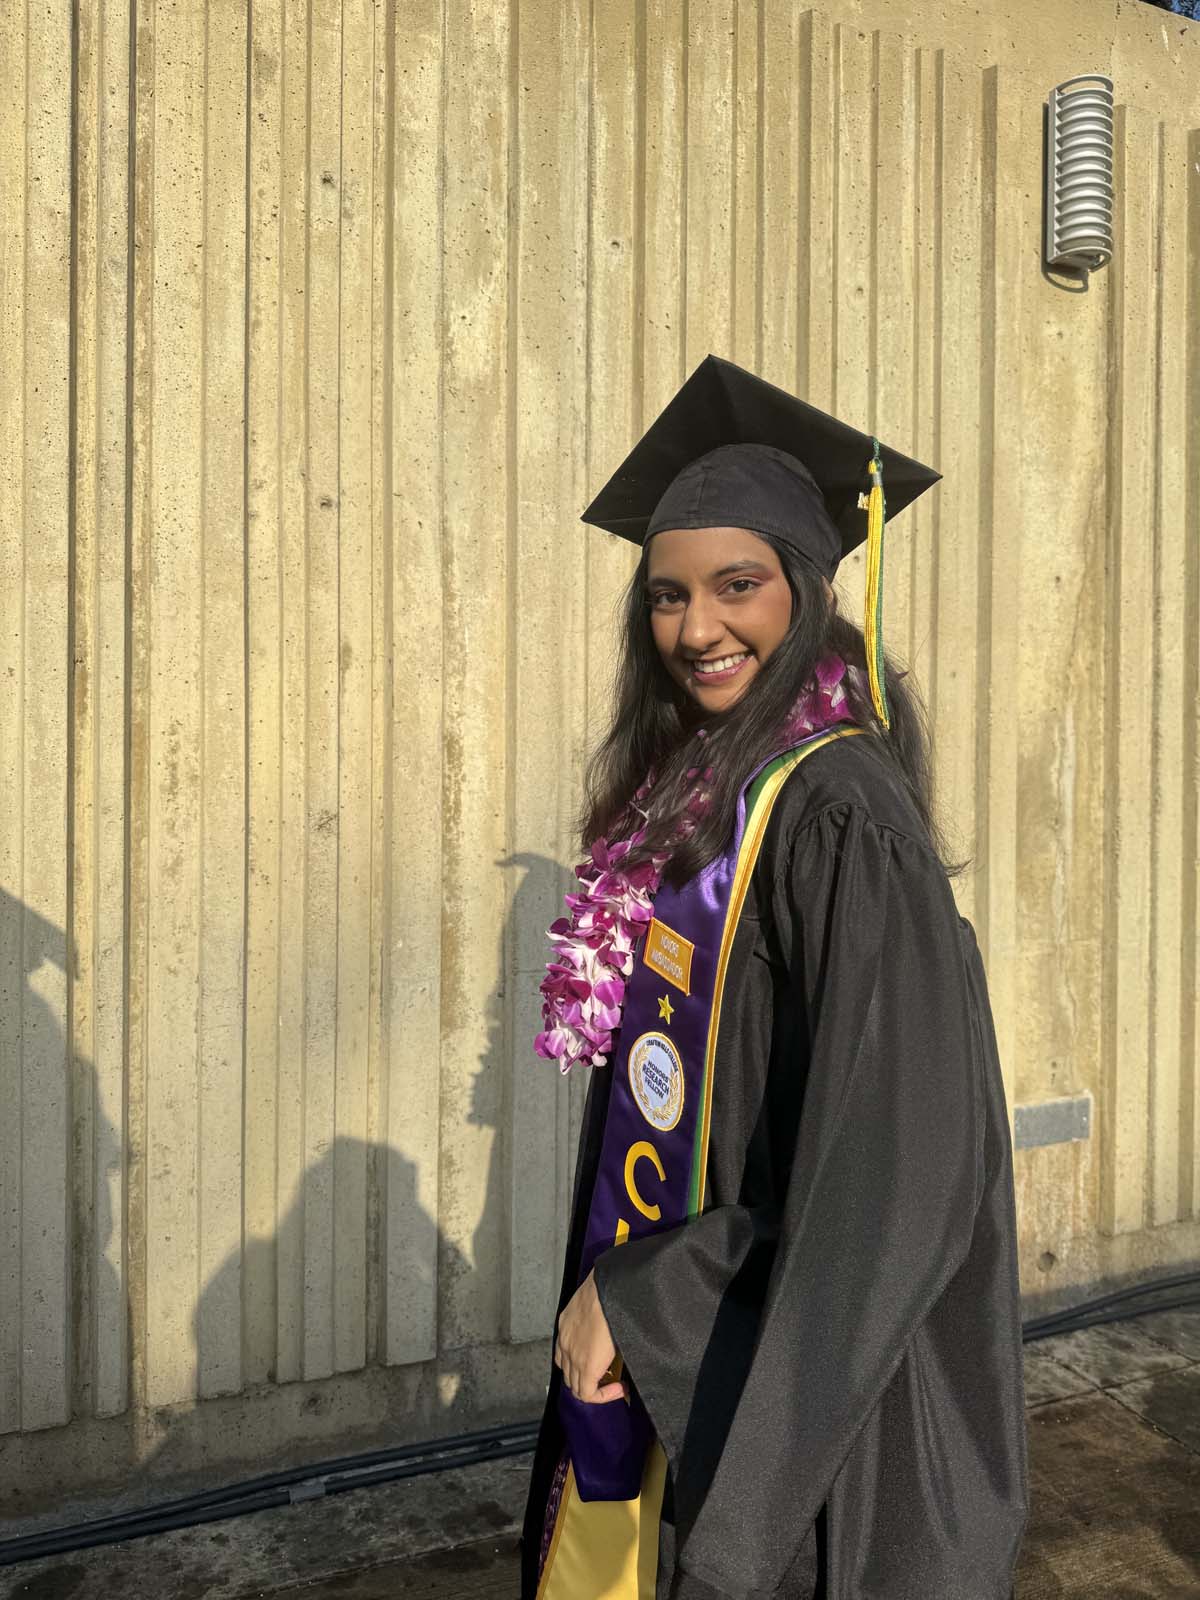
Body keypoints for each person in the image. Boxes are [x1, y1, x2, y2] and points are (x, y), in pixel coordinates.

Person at [521, 356, 1028, 1600]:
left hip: (814, 1412)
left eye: (736, 585)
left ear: (807, 589)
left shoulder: (839, 813)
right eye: (668, 596)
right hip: (708, 1357)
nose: (696, 629)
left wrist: (648, 1298)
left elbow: (899, 1173)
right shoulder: (711, 791)